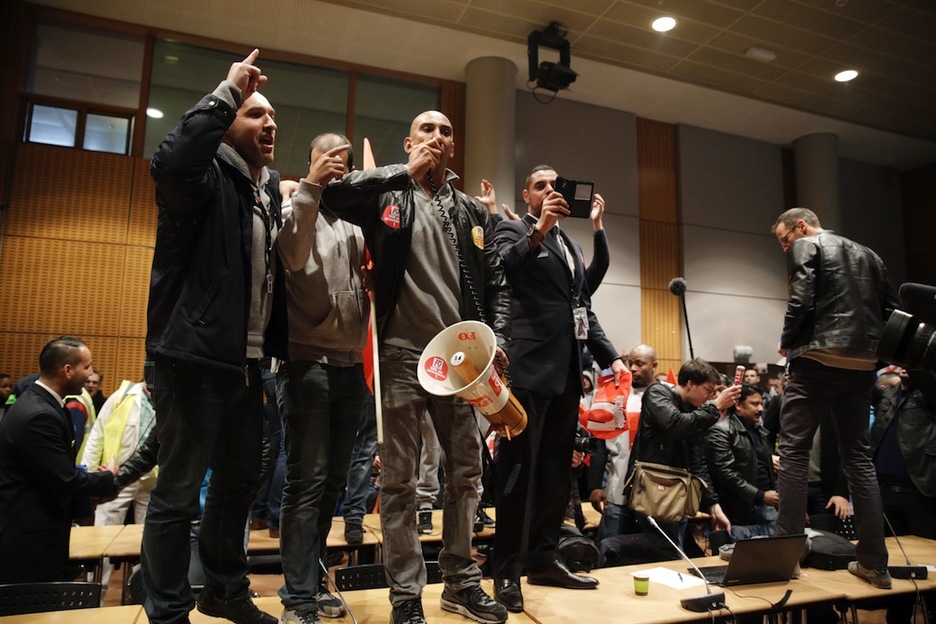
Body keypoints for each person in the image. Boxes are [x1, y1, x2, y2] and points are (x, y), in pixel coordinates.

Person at [321, 110, 511, 624]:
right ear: (409, 142)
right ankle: (406, 595)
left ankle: (461, 583)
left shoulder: (470, 210)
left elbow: (496, 281)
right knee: (399, 482)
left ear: (454, 146)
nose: (437, 137)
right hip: (401, 353)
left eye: (446, 131)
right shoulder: (388, 194)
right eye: (427, 129)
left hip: (461, 361)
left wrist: (499, 339)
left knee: (467, 474)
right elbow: (334, 196)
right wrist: (401, 171)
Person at [142, 49, 289, 624]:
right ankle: (167, 609)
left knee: (239, 482)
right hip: (193, 358)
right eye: (256, 114)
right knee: (179, 491)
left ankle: (224, 591)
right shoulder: (202, 178)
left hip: (248, 364)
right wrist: (227, 91)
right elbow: (171, 163)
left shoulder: (263, 191)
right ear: (227, 125)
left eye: (273, 116)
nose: (270, 123)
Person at [490, 165, 628, 613]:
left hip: (567, 374)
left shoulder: (570, 245)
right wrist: (539, 229)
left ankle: (543, 558)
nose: (550, 190)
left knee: (555, 475)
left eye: (555, 185)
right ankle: (506, 568)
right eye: (541, 186)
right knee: (518, 474)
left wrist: (611, 357)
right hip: (527, 371)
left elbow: (582, 306)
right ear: (527, 195)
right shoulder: (512, 229)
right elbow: (503, 269)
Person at [773, 207, 899, 590]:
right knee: (858, 458)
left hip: (816, 356)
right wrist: (876, 355)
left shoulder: (807, 245)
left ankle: (785, 557)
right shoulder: (871, 254)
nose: (785, 248)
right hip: (862, 363)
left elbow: (801, 300)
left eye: (784, 240)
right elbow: (890, 311)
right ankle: (875, 564)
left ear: (801, 226)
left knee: (793, 452)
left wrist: (787, 341)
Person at [275, 132, 368, 624]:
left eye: (342, 161)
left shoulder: (354, 217)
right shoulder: (293, 205)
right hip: (305, 362)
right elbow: (292, 256)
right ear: (309, 162)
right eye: (325, 158)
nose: (335, 165)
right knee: (306, 481)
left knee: (333, 482)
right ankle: (297, 598)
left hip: (350, 364)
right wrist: (309, 186)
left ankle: (311, 582)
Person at [0, 336, 117, 583]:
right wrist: (108, 478)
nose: (91, 374)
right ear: (67, 370)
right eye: (87, 367)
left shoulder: (43, 404)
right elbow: (63, 480)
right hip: (28, 538)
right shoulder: (40, 415)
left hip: (37, 531)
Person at [81, 378, 157, 594]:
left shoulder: (168, 399)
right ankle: (95, 593)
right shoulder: (121, 397)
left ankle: (140, 593)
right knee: (103, 537)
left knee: (148, 541)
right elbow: (97, 435)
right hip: (116, 476)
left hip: (151, 480)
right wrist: (90, 476)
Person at [588, 344, 658, 541]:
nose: (633, 368)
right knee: (609, 547)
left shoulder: (666, 395)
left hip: (653, 495)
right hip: (616, 491)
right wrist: (595, 485)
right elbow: (601, 443)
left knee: (653, 550)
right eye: (630, 363)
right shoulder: (616, 396)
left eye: (640, 364)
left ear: (654, 366)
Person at [704, 383, 778, 540]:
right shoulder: (721, 431)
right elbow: (725, 474)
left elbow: (767, 468)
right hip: (738, 507)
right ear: (738, 405)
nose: (761, 409)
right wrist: (760, 495)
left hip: (766, 504)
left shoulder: (759, 430)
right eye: (755, 404)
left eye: (761, 404)